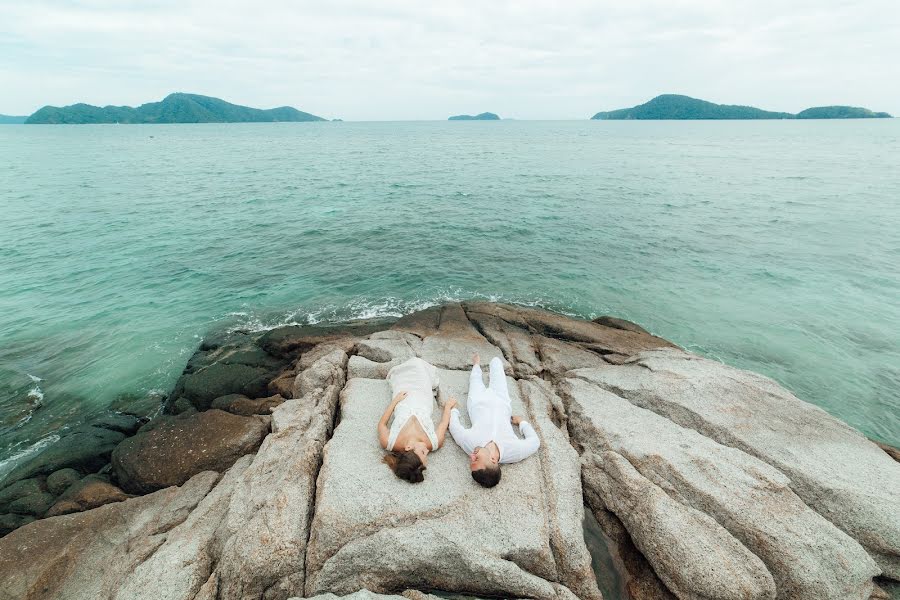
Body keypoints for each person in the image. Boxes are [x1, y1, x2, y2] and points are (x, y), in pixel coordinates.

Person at [448, 353, 540, 488]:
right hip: (501, 401)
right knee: (496, 362)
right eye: (476, 459)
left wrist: (454, 410)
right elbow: (534, 442)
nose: (471, 457)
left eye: (471, 461)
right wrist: (522, 423)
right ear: (493, 459)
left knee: (475, 379)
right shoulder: (515, 451)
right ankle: (485, 363)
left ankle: (476, 364)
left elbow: (455, 429)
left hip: (477, 401)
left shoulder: (471, 446)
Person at [378, 357, 453, 483]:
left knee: (406, 370)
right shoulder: (434, 443)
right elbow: (443, 423)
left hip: (403, 399)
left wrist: (395, 400)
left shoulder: (389, 442)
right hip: (423, 398)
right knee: (418, 365)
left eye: (424, 452)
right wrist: (448, 407)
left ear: (408, 447)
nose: (428, 450)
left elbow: (382, 424)